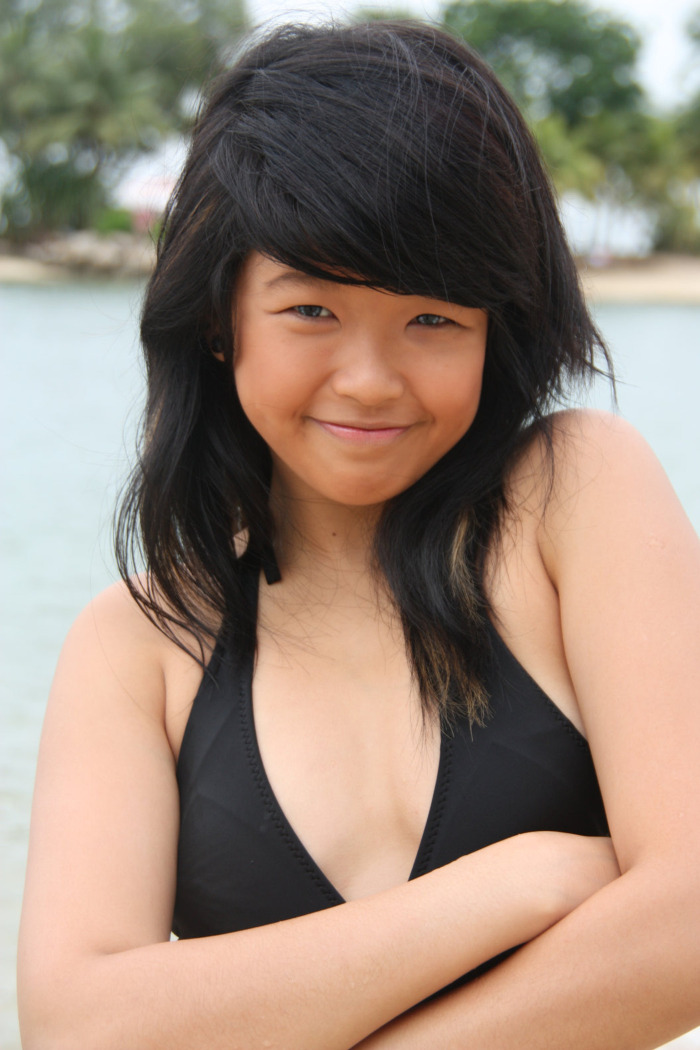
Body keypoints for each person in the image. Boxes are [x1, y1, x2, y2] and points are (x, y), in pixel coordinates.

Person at [17, 20, 700, 1050]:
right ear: (220, 318)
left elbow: (690, 922)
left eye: (433, 320)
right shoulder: (138, 646)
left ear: (497, 325)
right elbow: (78, 1027)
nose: (371, 381)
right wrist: (510, 886)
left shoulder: (574, 498)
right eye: (311, 311)